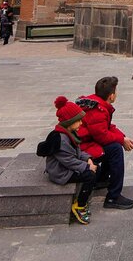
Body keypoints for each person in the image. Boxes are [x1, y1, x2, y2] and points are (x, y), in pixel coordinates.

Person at [75, 76, 133, 210]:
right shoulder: (97, 110)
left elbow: (106, 128)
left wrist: (123, 138)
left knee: (112, 145)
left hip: (84, 143)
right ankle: (113, 197)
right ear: (111, 95)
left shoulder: (95, 103)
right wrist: (121, 141)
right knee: (114, 149)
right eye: (116, 91)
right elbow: (102, 136)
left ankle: (102, 179)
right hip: (80, 149)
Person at [41, 96, 100, 225]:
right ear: (69, 122)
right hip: (61, 172)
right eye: (78, 121)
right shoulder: (61, 139)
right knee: (89, 176)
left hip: (67, 167)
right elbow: (68, 160)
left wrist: (88, 159)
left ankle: (82, 201)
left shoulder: (69, 133)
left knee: (96, 166)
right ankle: (79, 205)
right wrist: (86, 167)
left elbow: (78, 152)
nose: (81, 123)